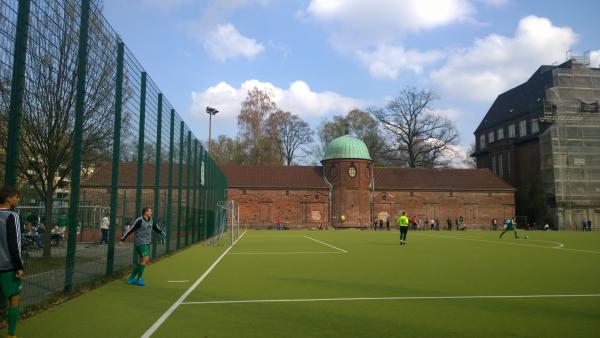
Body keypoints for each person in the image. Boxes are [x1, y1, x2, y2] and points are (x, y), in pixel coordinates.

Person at [0, 186, 24, 338]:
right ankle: (11, 334)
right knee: (14, 298)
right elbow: (14, 244)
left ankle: (2, 321)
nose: (17, 199)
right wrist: (19, 266)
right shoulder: (12, 216)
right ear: (8, 198)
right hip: (8, 266)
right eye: (16, 196)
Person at [120, 207, 165, 286]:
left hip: (147, 242)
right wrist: (122, 239)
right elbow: (130, 229)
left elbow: (156, 228)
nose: (151, 213)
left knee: (141, 261)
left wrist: (162, 232)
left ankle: (131, 278)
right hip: (140, 243)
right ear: (145, 212)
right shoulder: (139, 220)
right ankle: (139, 279)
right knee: (146, 259)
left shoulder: (151, 220)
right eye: (150, 211)